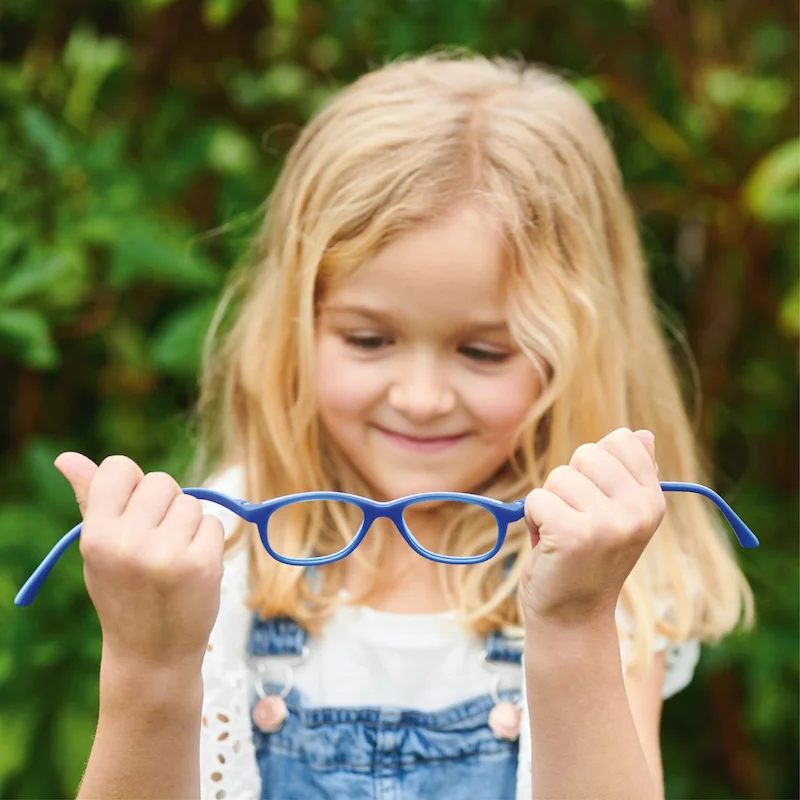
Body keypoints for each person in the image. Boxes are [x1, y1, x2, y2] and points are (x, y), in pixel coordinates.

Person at [55, 55, 752, 800]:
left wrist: (576, 624)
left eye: (481, 352)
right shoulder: (216, 557)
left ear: (577, 352)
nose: (420, 399)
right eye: (368, 339)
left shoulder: (604, 567)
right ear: (298, 327)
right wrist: (149, 665)